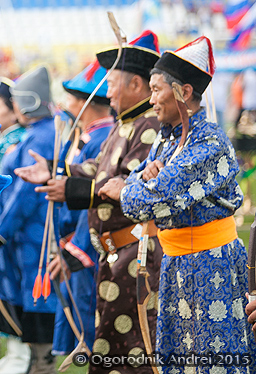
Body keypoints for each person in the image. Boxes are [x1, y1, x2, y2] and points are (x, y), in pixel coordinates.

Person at [101, 36, 256, 374]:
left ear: (184, 92)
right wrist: (142, 181)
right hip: (176, 264)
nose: (151, 99)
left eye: (157, 90)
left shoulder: (209, 142)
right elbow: (142, 178)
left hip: (211, 264)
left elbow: (152, 200)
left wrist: (129, 188)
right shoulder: (166, 138)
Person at [15, 31, 162, 374]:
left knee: (136, 348)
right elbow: (100, 169)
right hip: (115, 255)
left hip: (138, 254)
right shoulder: (126, 123)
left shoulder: (148, 126)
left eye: (112, 83)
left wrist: (71, 189)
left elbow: (125, 183)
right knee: (111, 343)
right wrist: (54, 170)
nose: (107, 91)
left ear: (137, 85)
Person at [0, 65, 59, 374]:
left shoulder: (40, 136)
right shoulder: (38, 133)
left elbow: (24, 194)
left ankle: (40, 363)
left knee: (35, 298)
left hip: (30, 235)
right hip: (23, 235)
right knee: (25, 296)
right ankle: (31, 360)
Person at [48, 61, 114, 362]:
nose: (66, 104)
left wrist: (74, 246)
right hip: (73, 236)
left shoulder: (101, 138)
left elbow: (89, 192)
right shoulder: (87, 135)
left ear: (85, 103)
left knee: (91, 312)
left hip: (85, 237)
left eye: (71, 98)